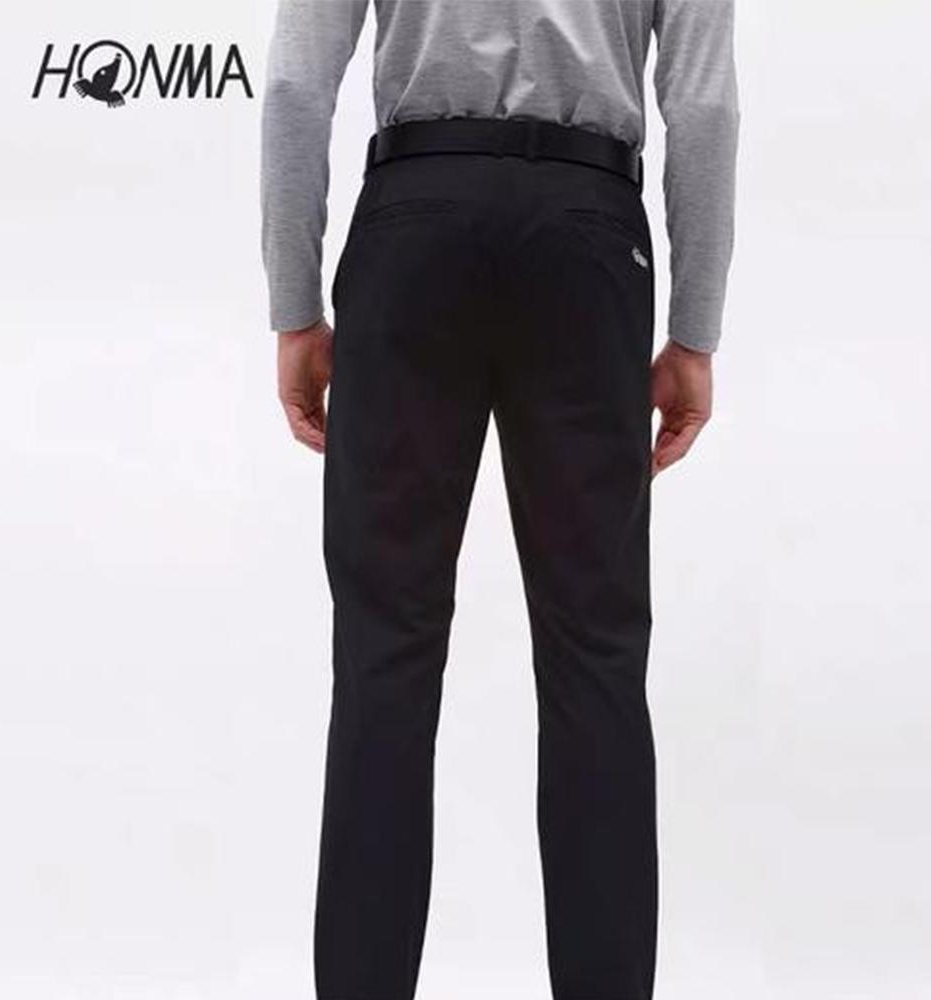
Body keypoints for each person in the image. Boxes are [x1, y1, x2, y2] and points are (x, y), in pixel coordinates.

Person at [260, 2, 739, 997]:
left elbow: (300, 82)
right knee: (596, 657)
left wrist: (295, 309)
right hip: (588, 234)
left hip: (414, 221)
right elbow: (701, 105)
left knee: (384, 656)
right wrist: (693, 333)